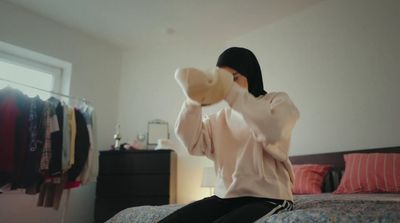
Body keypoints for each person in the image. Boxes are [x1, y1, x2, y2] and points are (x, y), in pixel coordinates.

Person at [160, 47, 300, 223]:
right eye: (223, 80)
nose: (227, 86)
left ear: (250, 74)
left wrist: (232, 92)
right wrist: (193, 100)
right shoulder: (219, 118)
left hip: (268, 197)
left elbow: (273, 130)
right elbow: (192, 143)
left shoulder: (277, 101)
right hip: (225, 197)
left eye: (234, 78)